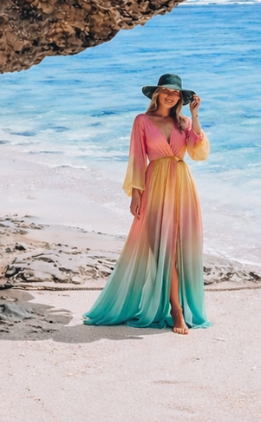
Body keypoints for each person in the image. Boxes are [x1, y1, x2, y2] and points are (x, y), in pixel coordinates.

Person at [83, 73, 211, 335]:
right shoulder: (142, 121)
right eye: (166, 91)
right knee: (159, 249)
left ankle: (177, 310)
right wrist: (136, 194)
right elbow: (137, 159)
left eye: (176, 93)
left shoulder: (183, 122)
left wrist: (195, 116)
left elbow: (199, 153)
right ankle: (171, 309)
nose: (171, 96)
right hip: (155, 185)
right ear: (157, 94)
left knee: (177, 249)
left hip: (182, 186)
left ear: (181, 98)